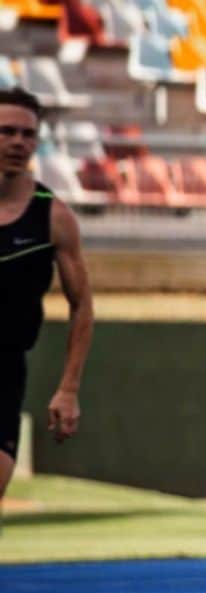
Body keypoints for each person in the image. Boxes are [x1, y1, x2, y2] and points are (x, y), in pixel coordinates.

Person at [0, 88, 94, 524]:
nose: (18, 141)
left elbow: (82, 306)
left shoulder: (52, 217)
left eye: (27, 133)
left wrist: (69, 388)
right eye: (6, 131)